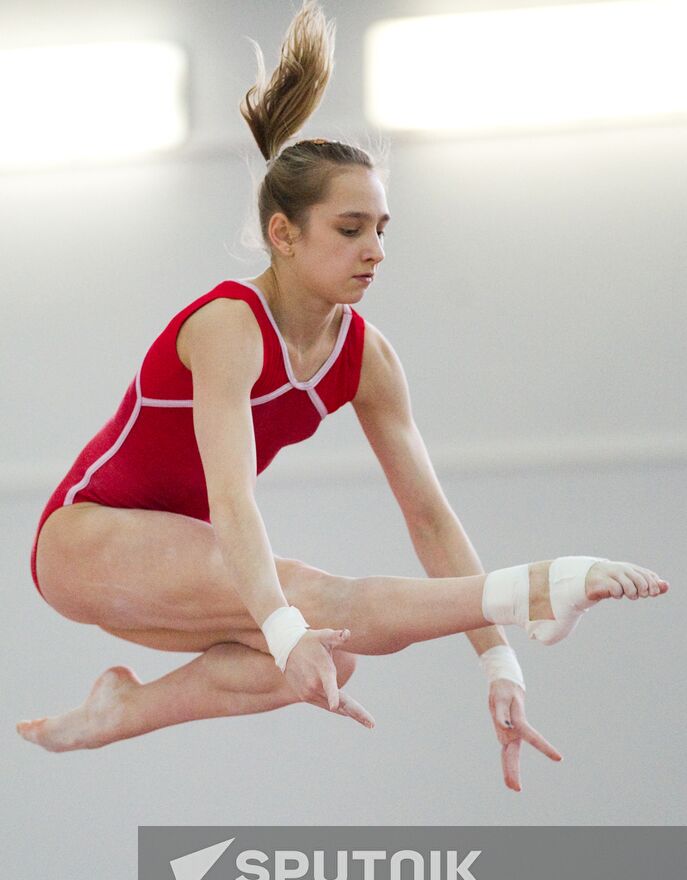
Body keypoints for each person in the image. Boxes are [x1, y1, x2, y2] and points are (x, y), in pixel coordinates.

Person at [18, 1, 668, 792]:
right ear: (283, 234)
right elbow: (231, 501)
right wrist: (281, 621)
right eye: (351, 229)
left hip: (166, 568)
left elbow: (428, 516)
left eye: (382, 230)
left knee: (333, 651)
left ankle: (121, 711)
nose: (375, 252)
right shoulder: (228, 324)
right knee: (310, 604)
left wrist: (496, 661)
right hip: (87, 543)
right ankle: (543, 582)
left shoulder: (367, 358)